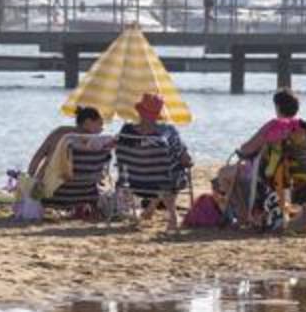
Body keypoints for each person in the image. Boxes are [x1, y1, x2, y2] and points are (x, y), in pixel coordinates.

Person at [238, 89, 306, 231]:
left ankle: (251, 217)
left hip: (278, 180)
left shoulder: (275, 126)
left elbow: (246, 149)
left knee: (235, 174)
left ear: (277, 107)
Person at [116, 93, 193, 231]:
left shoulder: (126, 131)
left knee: (158, 169)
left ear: (139, 112)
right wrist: (187, 161)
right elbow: (185, 158)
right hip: (161, 182)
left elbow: (120, 156)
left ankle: (150, 209)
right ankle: (173, 216)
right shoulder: (167, 131)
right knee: (170, 171)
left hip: (134, 182)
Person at [28, 106, 115, 212]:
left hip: (50, 194)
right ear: (87, 122)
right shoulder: (99, 144)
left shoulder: (59, 132)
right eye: (99, 124)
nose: (102, 129)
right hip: (85, 195)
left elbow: (38, 156)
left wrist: (31, 181)